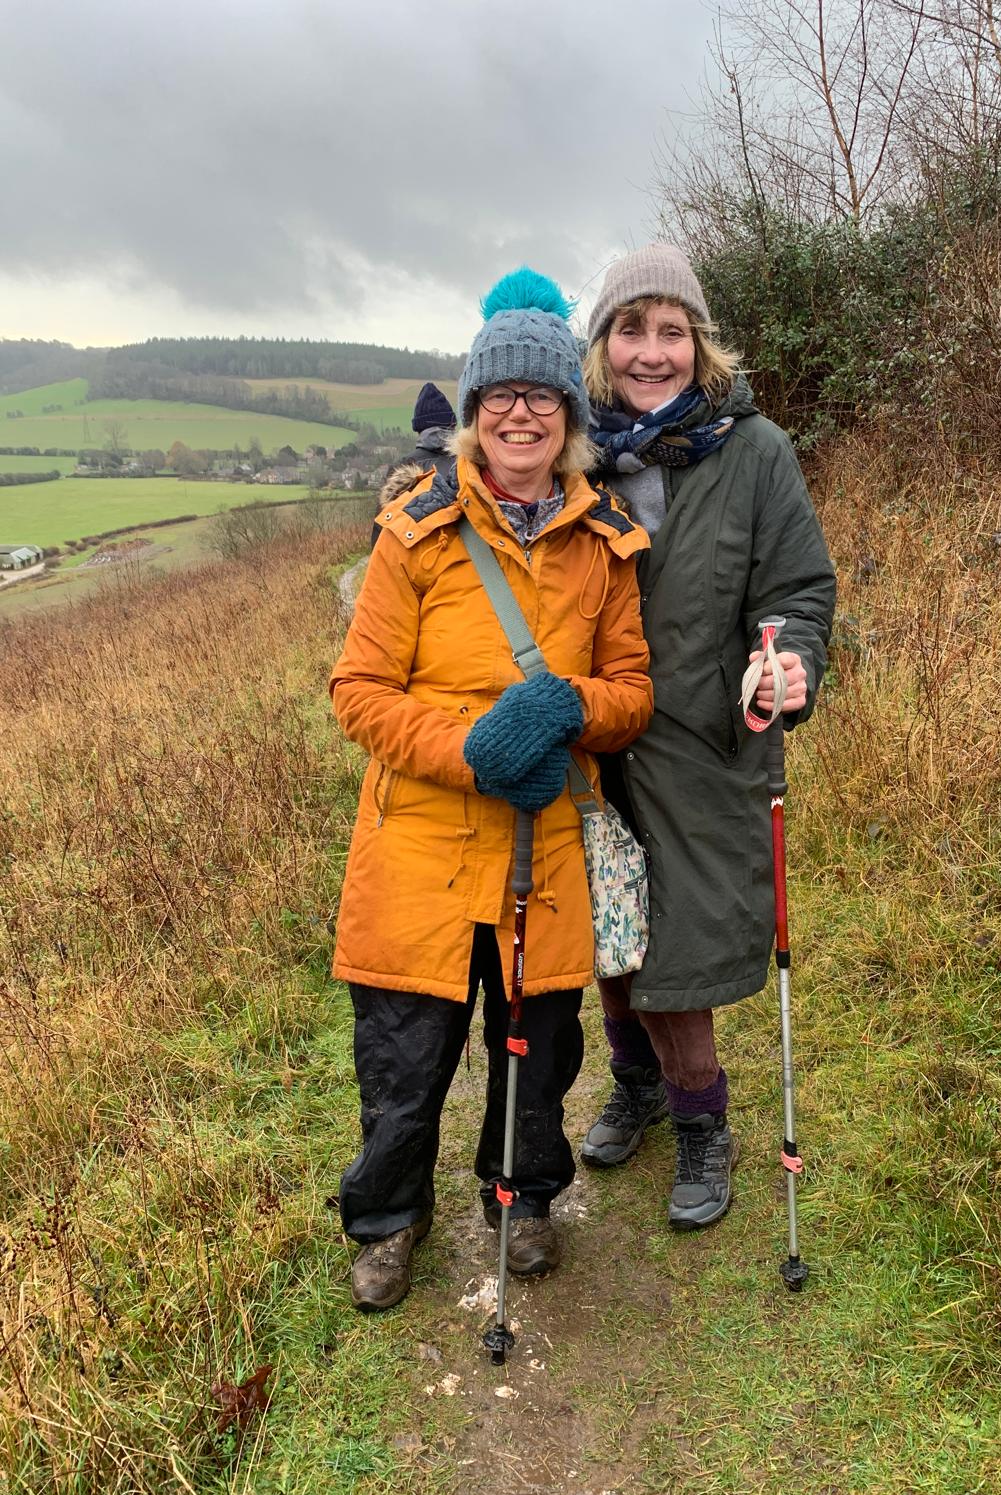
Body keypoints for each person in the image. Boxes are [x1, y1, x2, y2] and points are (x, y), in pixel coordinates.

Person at [330, 268, 654, 1312]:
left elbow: (632, 693)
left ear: (569, 416)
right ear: (474, 412)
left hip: (543, 843)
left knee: (538, 1049)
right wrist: (473, 747)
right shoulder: (412, 534)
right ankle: (388, 1221)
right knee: (403, 1058)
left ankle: (522, 1199)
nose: (522, 413)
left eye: (543, 395)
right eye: (502, 395)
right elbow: (359, 693)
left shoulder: (604, 544)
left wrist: (570, 706)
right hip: (418, 845)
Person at [579, 242, 837, 1231]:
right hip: (594, 744)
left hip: (705, 746)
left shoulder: (755, 451)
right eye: (631, 329)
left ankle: (701, 1120)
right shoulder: (572, 454)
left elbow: (796, 589)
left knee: (677, 946)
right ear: (602, 346)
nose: (653, 351)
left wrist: (789, 662)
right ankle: (636, 1085)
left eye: (672, 330)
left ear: (699, 343)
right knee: (610, 934)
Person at [370, 383, 457, 550]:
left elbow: (381, 532)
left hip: (411, 559)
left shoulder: (401, 468)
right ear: (452, 426)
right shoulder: (468, 466)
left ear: (419, 430)